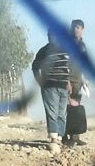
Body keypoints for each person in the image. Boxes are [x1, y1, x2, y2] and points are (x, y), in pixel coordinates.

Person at [31, 28, 81, 156]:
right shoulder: (44, 51)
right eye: (49, 35)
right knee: (52, 112)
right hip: (49, 86)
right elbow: (35, 66)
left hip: (63, 86)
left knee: (62, 113)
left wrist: (68, 82)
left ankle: (59, 137)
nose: (51, 37)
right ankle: (53, 139)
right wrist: (40, 82)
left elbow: (67, 68)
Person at [64, 19, 90, 147]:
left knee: (77, 108)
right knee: (66, 108)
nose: (76, 29)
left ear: (82, 29)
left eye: (78, 27)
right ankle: (65, 137)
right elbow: (63, 63)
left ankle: (75, 136)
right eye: (74, 27)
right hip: (68, 79)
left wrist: (85, 81)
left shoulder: (83, 46)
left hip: (79, 80)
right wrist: (66, 80)